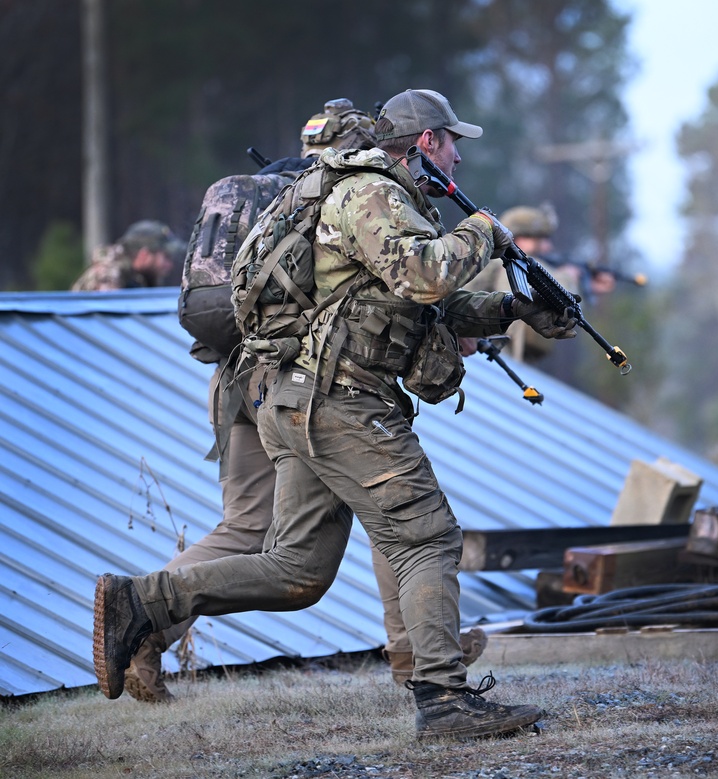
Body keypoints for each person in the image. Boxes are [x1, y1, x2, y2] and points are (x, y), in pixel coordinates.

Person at [94, 87, 575, 739]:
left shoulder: (377, 198)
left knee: (299, 571)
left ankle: (144, 601)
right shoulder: (370, 191)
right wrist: (484, 233)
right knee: (426, 536)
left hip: (301, 399)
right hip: (340, 400)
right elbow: (425, 276)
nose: (458, 156)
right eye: (452, 141)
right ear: (427, 142)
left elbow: (423, 306)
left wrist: (517, 309)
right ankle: (444, 700)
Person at [464, 204, 615, 364]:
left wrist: (585, 285)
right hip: (481, 360)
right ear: (519, 238)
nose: (547, 246)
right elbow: (526, 302)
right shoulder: (503, 265)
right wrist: (568, 277)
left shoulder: (492, 260)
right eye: (540, 239)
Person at [72, 220, 185, 291]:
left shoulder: (143, 277)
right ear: (144, 255)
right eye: (166, 257)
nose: (169, 265)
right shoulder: (107, 275)